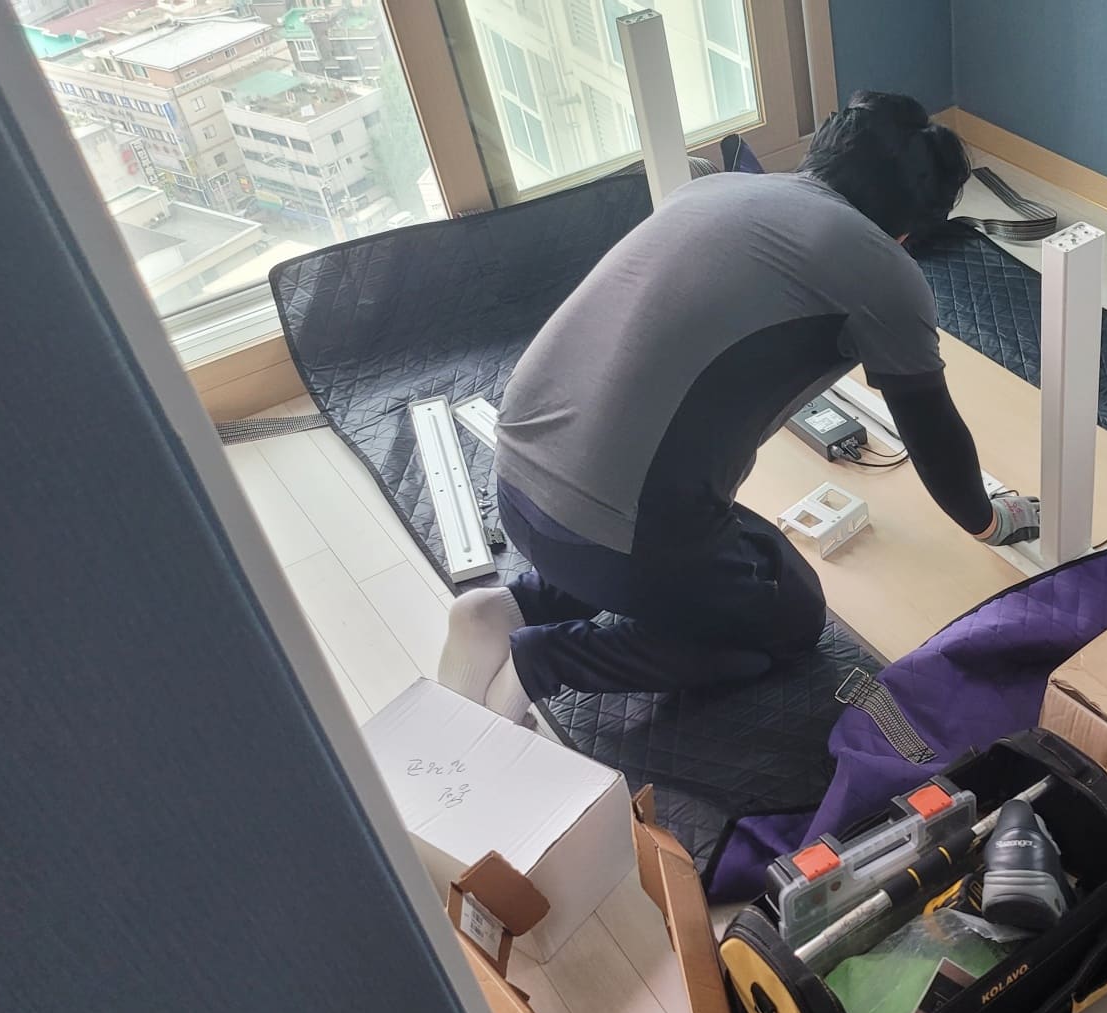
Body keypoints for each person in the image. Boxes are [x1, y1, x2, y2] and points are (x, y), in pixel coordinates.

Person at [438, 91, 1040, 721]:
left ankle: (505, 608)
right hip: (612, 534)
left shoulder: (713, 189)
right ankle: (546, 661)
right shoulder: (881, 266)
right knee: (789, 619)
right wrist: (989, 521)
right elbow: (933, 436)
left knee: (748, 551)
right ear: (907, 231)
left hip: (518, 484)